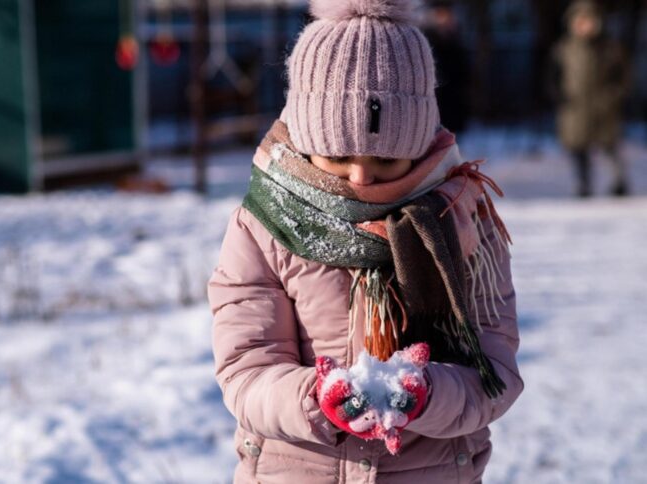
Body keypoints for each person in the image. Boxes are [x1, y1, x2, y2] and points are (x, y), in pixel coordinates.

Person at [207, 0, 524, 482]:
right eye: (337, 157)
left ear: (420, 144)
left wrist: (428, 393)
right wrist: (314, 399)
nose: (360, 177)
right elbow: (246, 368)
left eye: (386, 160)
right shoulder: (263, 227)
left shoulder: (462, 220)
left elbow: (494, 372)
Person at [551, 0, 632, 197]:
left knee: (610, 146)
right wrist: (560, 96)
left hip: (603, 106)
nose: (584, 26)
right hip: (575, 108)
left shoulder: (610, 48)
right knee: (578, 149)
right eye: (580, 21)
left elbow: (623, 76)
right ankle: (583, 185)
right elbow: (552, 77)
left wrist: (613, 95)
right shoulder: (564, 49)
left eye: (588, 21)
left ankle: (619, 182)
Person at [424, 0, 471, 135]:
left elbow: (463, 70)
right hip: (435, 98)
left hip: (453, 98)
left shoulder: (455, 39)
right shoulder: (427, 38)